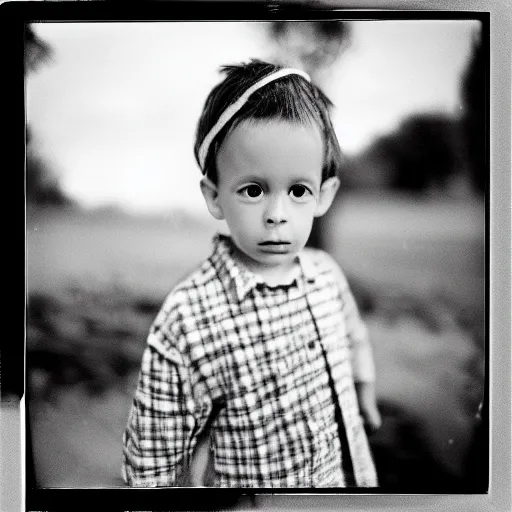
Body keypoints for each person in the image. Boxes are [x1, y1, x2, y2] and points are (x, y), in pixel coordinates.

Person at [122, 59, 381, 488]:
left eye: (298, 191)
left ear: (324, 194)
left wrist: (365, 390)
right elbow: (151, 464)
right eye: (253, 190)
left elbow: (354, 336)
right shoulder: (188, 319)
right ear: (215, 196)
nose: (276, 215)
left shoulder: (327, 276)